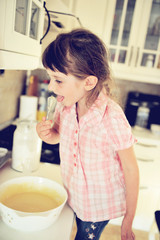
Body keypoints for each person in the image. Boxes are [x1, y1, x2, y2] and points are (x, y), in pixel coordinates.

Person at [36, 28, 139, 240]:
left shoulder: (112, 117)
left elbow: (130, 168)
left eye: (58, 80)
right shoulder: (64, 106)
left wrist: (129, 218)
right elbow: (59, 136)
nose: (52, 87)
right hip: (74, 195)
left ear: (89, 82)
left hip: (98, 205)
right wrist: (49, 135)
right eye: (50, 78)